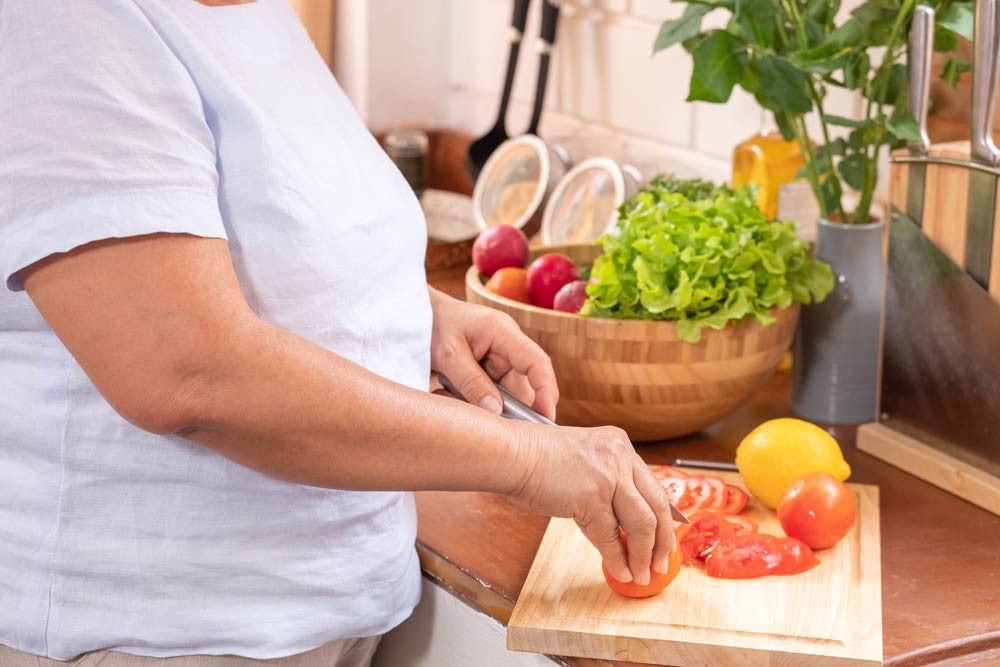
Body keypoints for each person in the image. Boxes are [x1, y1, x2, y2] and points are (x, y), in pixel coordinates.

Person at [0, 1, 676, 665]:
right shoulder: (65, 20)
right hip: (163, 634)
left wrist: (418, 312)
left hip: (324, 613)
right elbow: (187, 371)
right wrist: (528, 459)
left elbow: (269, 231)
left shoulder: (255, 11)